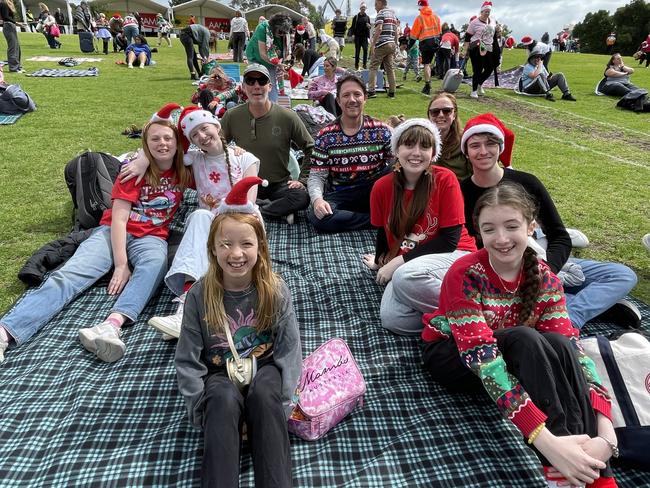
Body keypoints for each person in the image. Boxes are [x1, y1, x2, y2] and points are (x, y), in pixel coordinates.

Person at [421, 181, 618, 488]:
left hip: (514, 355)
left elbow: (574, 353)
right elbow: (482, 358)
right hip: (454, 357)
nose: (500, 239)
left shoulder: (545, 278)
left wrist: (607, 432)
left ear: (530, 227)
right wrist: (543, 438)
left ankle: (587, 463)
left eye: (511, 226)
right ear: (479, 234)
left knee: (559, 342)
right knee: (524, 336)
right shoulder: (466, 273)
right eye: (489, 229)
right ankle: (560, 462)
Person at [0, 105, 193, 364]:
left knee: (155, 264)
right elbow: (118, 218)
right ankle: (5, 331)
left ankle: (112, 324)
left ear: (177, 143)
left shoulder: (184, 168)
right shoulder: (131, 170)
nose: (162, 143)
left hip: (153, 236)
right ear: (145, 144)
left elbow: (196, 130)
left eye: (168, 138)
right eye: (154, 139)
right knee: (69, 275)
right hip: (114, 230)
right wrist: (122, 264)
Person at [459, 113, 641, 330]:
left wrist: (546, 272)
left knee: (622, 275)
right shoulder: (461, 192)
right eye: (475, 145)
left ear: (500, 147)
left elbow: (559, 236)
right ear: (466, 152)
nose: (483, 151)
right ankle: (578, 305)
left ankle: (570, 314)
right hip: (498, 272)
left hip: (538, 259)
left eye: (490, 143)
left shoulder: (527, 182)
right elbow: (468, 245)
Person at [175, 177, 302, 488]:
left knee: (265, 395)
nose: (236, 253)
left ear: (259, 246)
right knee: (220, 399)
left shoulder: (275, 289)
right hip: (219, 372)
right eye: (226, 244)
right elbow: (188, 360)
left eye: (246, 243)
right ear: (213, 248)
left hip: (264, 368)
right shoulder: (199, 295)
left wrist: (286, 404)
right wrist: (199, 410)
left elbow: (289, 350)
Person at [128, 106, 260, 338]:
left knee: (213, 233)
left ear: (217, 126)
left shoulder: (245, 157)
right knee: (199, 218)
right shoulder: (195, 160)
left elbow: (248, 204)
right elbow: (162, 146)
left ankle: (196, 314)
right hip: (209, 225)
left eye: (204, 128)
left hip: (241, 223)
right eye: (194, 135)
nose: (201, 136)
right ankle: (184, 310)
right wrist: (141, 158)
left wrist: (224, 216)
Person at [363, 118, 476, 335]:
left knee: (404, 277)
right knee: (393, 319)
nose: (416, 152)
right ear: (396, 150)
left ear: (433, 153)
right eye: (409, 145)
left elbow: (450, 240)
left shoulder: (445, 179)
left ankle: (482, 310)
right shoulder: (381, 187)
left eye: (424, 146)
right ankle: (461, 319)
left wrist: (397, 261)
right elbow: (381, 232)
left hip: (454, 254)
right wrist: (380, 261)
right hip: (415, 264)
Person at [221, 64, 314, 224]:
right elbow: (217, 146)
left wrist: (302, 179)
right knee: (223, 195)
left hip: (279, 185)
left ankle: (255, 210)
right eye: (250, 81)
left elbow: (310, 147)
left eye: (262, 81)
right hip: (245, 184)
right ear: (243, 87)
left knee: (301, 197)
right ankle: (276, 211)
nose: (256, 86)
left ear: (270, 87)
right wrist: (230, 148)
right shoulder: (232, 116)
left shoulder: (287, 116)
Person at [308, 74, 392, 233]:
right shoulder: (325, 135)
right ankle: (375, 220)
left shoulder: (381, 130)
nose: (352, 100)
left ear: (365, 98)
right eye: (346, 95)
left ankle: (374, 216)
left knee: (398, 166)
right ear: (338, 101)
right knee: (317, 217)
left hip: (374, 190)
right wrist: (318, 200)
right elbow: (317, 176)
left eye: (357, 94)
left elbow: (398, 163)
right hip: (341, 194)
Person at [245, 13, 293, 102]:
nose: (282, 34)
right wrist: (278, 64)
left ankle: (273, 107)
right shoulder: (262, 28)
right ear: (274, 27)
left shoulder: (285, 33)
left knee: (271, 83)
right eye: (280, 32)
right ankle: (256, 104)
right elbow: (263, 54)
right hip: (256, 57)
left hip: (274, 59)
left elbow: (287, 53)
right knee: (256, 82)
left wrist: (285, 64)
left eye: (284, 32)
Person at [426, 93, 471, 180]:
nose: (441, 115)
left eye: (447, 111)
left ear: (454, 115)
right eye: (435, 112)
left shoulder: (466, 140)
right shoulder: (420, 140)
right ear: (429, 116)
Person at [461, 1, 496, 99]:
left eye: (489, 11)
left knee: (489, 68)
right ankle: (474, 91)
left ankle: (480, 83)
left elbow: (494, 33)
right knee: (478, 69)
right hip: (476, 47)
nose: (487, 13)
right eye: (486, 11)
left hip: (488, 47)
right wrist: (465, 50)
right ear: (481, 11)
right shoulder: (474, 22)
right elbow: (467, 38)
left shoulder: (492, 21)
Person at [408, 0, 441, 95]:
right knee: (430, 64)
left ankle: (427, 85)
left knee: (426, 64)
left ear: (421, 6)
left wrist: (409, 46)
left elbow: (413, 35)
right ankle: (430, 80)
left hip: (426, 43)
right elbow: (439, 32)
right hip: (435, 42)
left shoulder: (419, 18)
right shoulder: (436, 17)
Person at [368, 0, 398, 98]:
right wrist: (396, 43)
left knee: (373, 67)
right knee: (390, 69)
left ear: (381, 3)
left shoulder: (381, 13)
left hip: (381, 44)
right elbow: (396, 31)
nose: (375, 7)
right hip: (391, 43)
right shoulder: (393, 14)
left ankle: (371, 91)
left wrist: (373, 44)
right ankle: (392, 92)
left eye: (376, 4)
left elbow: (379, 29)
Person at [0, 0, 24, 73]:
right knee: (13, 47)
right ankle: (13, 68)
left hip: (11, 26)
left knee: (17, 47)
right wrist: (16, 23)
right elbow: (5, 17)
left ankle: (18, 66)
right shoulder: (4, 3)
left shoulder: (9, 3)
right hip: (8, 26)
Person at [350, 2, 371, 70]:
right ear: (360, 8)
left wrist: (369, 26)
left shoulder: (367, 17)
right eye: (362, 8)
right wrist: (353, 34)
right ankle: (356, 64)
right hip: (357, 37)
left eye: (364, 8)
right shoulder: (356, 17)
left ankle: (364, 64)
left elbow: (369, 26)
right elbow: (353, 26)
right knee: (357, 51)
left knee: (365, 50)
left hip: (364, 37)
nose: (363, 9)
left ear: (365, 9)